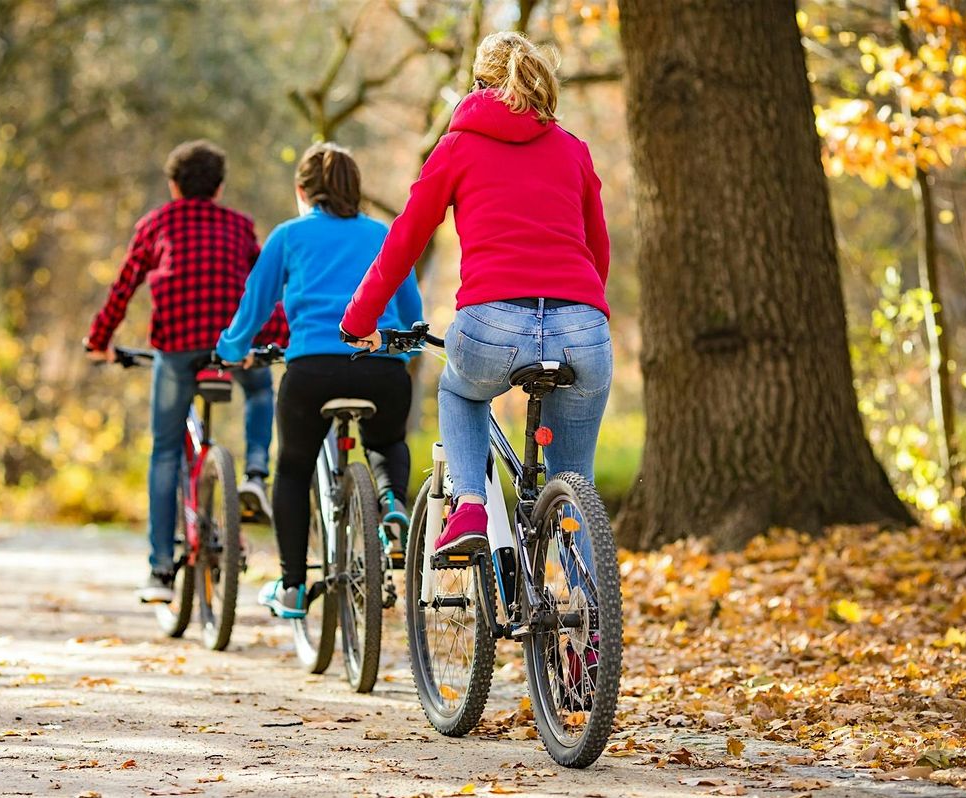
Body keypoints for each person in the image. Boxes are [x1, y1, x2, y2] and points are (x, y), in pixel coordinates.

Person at [341, 31, 612, 556]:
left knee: (460, 391)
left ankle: (468, 506)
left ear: (480, 84)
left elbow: (405, 240)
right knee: (576, 483)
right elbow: (597, 250)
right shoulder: (574, 150)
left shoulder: (457, 146)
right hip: (582, 326)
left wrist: (359, 319)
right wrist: (578, 316)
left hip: (491, 325)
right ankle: (591, 623)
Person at [216, 143, 422, 619]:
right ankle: (391, 504)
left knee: (291, 468)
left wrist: (230, 351)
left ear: (301, 191)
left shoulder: (288, 236)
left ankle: (291, 585)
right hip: (380, 371)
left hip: (311, 372)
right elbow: (411, 319)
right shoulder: (382, 234)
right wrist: (403, 350)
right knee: (388, 440)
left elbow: (253, 308)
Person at [86, 139, 288, 603]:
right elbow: (261, 287)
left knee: (164, 451)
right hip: (233, 344)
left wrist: (100, 342)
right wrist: (275, 336)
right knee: (259, 390)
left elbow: (123, 288)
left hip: (176, 346)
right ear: (218, 188)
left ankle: (160, 570)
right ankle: (256, 470)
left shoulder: (155, 223)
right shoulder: (239, 225)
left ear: (173, 185)